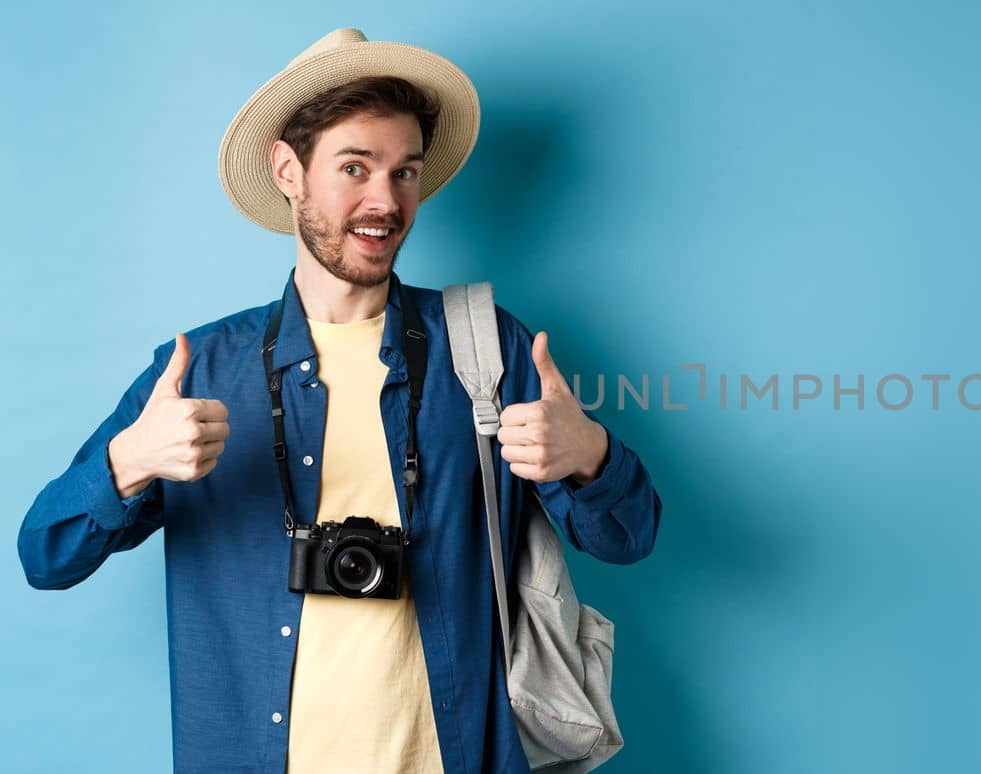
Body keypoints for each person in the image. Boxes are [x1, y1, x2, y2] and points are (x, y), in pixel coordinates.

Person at [15, 28, 662, 774]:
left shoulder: (486, 349)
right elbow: (45, 554)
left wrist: (592, 457)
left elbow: (629, 538)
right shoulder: (199, 370)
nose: (385, 201)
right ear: (289, 170)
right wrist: (127, 461)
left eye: (405, 172)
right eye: (355, 167)